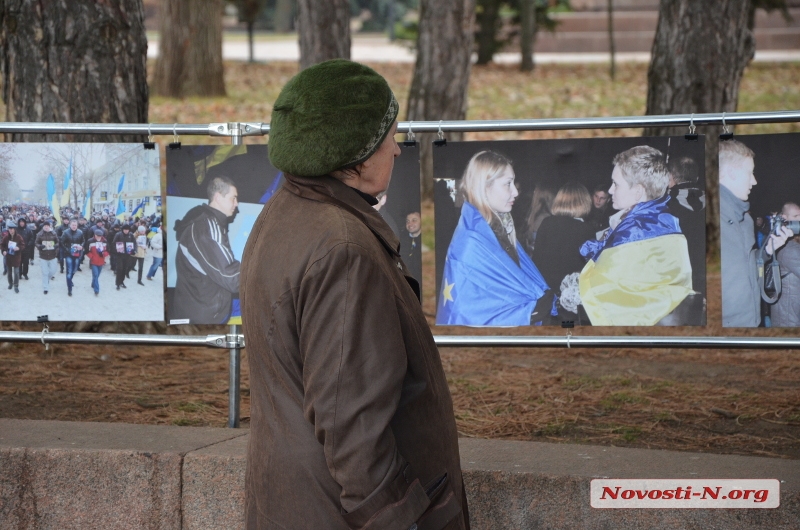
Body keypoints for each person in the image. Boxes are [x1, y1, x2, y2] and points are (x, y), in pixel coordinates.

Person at [240, 59, 468, 529]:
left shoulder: (286, 211)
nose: (398, 150)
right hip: (337, 513)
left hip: (296, 501)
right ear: (358, 159)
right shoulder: (342, 248)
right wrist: (395, 520)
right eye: (390, 137)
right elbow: (352, 424)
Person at [578, 145, 694, 325]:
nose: (610, 190)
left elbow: (605, 292)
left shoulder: (635, 230)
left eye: (615, 184)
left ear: (638, 191)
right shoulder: (661, 217)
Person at [436, 150, 551, 326]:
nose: (515, 192)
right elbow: (464, 312)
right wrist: (528, 313)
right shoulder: (471, 241)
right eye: (508, 184)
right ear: (485, 187)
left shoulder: (496, 228)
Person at [719, 139, 791, 327]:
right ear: (731, 173)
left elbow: (746, 265)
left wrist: (768, 251)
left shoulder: (744, 220)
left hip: (750, 322)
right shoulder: (712, 219)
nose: (754, 181)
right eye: (750, 173)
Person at [172, 176, 241, 324]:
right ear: (217, 197)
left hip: (201, 312)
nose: (237, 203)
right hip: (201, 319)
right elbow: (231, 277)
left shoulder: (210, 224)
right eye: (233, 198)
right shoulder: (205, 227)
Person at [531, 182, 596, 324]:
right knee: (568, 336)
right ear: (584, 202)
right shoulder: (586, 229)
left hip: (546, 297)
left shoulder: (547, 223)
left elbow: (537, 260)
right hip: (569, 303)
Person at [667, 156, 706, 294]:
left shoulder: (665, 205)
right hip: (704, 275)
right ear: (696, 178)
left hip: (676, 280)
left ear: (671, 177)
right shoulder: (713, 203)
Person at [770, 202, 800, 327]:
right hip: (789, 317)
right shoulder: (788, 247)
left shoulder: (792, 242)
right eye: (796, 216)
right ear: (784, 218)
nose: (799, 219)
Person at [60, 218, 85, 297]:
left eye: (75, 225)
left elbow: (83, 241)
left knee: (75, 269)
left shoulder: (80, 232)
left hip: (77, 254)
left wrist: (81, 246)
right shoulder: (66, 233)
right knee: (69, 271)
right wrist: (67, 250)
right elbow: (62, 242)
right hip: (69, 255)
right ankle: (69, 289)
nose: (74, 226)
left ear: (77, 226)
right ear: (70, 225)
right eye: (73, 225)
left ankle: (70, 279)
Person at [35, 220, 59, 294]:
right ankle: (46, 287)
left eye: (47, 226)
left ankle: (47, 278)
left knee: (53, 270)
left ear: (50, 226)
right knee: (44, 272)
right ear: (43, 227)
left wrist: (56, 246)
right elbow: (36, 243)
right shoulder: (39, 234)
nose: (46, 227)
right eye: (45, 226)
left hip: (52, 255)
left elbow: (58, 242)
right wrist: (40, 246)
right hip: (43, 256)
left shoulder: (54, 233)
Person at [1, 222, 25, 293]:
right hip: (8, 257)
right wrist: (3, 251)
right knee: (9, 272)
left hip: (16, 257)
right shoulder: (6, 237)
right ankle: (10, 283)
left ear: (14, 229)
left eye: (12, 229)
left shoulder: (19, 237)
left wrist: (18, 248)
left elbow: (23, 245)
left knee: (16, 272)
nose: (10, 230)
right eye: (9, 229)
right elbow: (2, 245)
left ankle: (16, 285)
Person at [400, 211, 422, 283]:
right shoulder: (401, 240)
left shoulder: (428, 242)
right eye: (408, 221)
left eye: (414, 220)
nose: (410, 224)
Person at [112, 224, 136, 290]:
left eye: (127, 230)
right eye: (125, 230)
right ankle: (117, 283)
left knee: (125, 269)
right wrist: (117, 250)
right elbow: (114, 243)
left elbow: (134, 243)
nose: (126, 231)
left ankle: (122, 281)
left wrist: (134, 250)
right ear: (122, 230)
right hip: (120, 255)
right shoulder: (118, 234)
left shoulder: (131, 235)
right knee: (120, 269)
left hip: (127, 254)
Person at [86, 229, 109, 296]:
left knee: (97, 275)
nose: (99, 237)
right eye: (97, 236)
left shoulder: (105, 241)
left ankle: (93, 283)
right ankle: (96, 290)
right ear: (95, 235)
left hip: (101, 261)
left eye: (100, 236)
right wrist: (92, 257)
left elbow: (108, 250)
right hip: (93, 262)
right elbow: (87, 251)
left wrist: (104, 254)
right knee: (96, 275)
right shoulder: (90, 241)